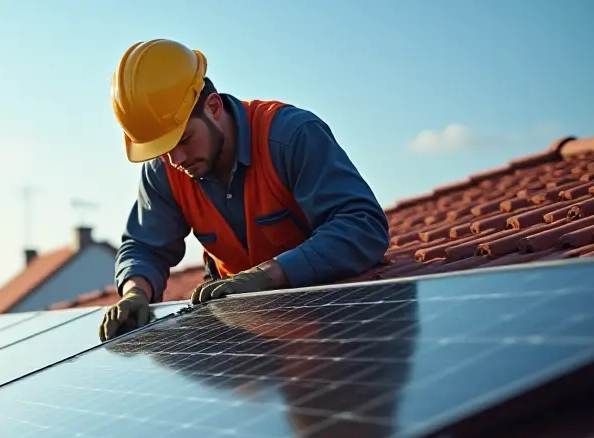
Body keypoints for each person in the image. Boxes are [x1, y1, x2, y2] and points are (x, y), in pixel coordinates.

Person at [99, 38, 391, 341]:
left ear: (212, 107)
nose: (176, 160)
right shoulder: (165, 170)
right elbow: (145, 246)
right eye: (161, 150)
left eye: (183, 140)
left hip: (340, 317)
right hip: (249, 336)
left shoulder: (290, 137)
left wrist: (270, 275)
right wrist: (135, 292)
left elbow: (363, 226)